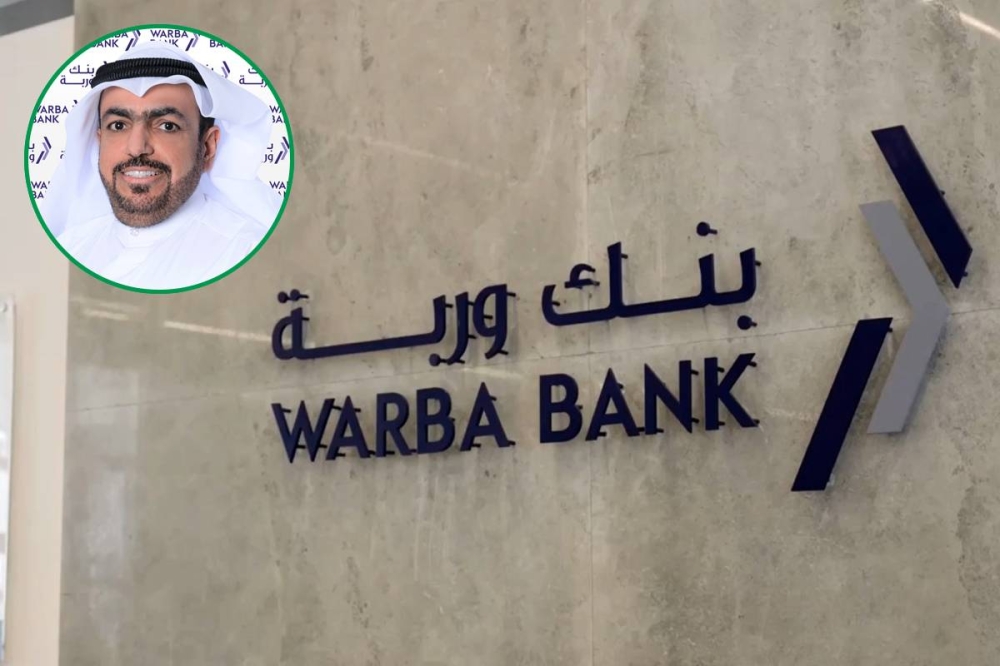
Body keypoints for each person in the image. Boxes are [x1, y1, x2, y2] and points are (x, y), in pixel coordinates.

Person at [41, 42, 283, 290]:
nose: (137, 147)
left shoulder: (242, 251)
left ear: (208, 146)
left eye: (167, 126)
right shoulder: (73, 246)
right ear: (99, 141)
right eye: (118, 125)